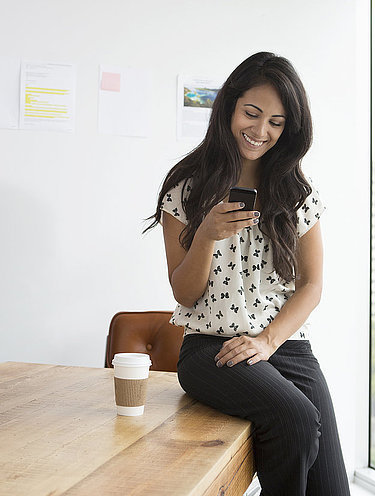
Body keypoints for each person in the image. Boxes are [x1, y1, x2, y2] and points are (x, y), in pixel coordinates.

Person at [144, 52, 351, 496]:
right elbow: (184, 294)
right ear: (229, 108)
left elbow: (312, 285)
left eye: (276, 122)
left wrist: (268, 340)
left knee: (332, 489)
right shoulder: (187, 189)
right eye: (252, 114)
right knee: (294, 418)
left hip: (284, 346)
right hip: (210, 349)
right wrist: (205, 236)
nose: (260, 132)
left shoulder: (296, 193)